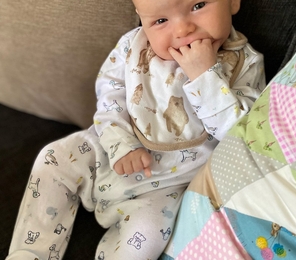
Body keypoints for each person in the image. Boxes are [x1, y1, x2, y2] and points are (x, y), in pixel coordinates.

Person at [6, 0, 265, 259]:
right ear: (142, 19)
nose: (183, 29)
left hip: (163, 190)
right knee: (54, 157)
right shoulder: (133, 46)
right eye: (160, 21)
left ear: (233, 2)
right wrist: (121, 144)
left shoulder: (246, 64)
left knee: (147, 238)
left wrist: (205, 76)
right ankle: (29, 253)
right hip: (105, 154)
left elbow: (239, 134)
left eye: (198, 5)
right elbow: (110, 97)